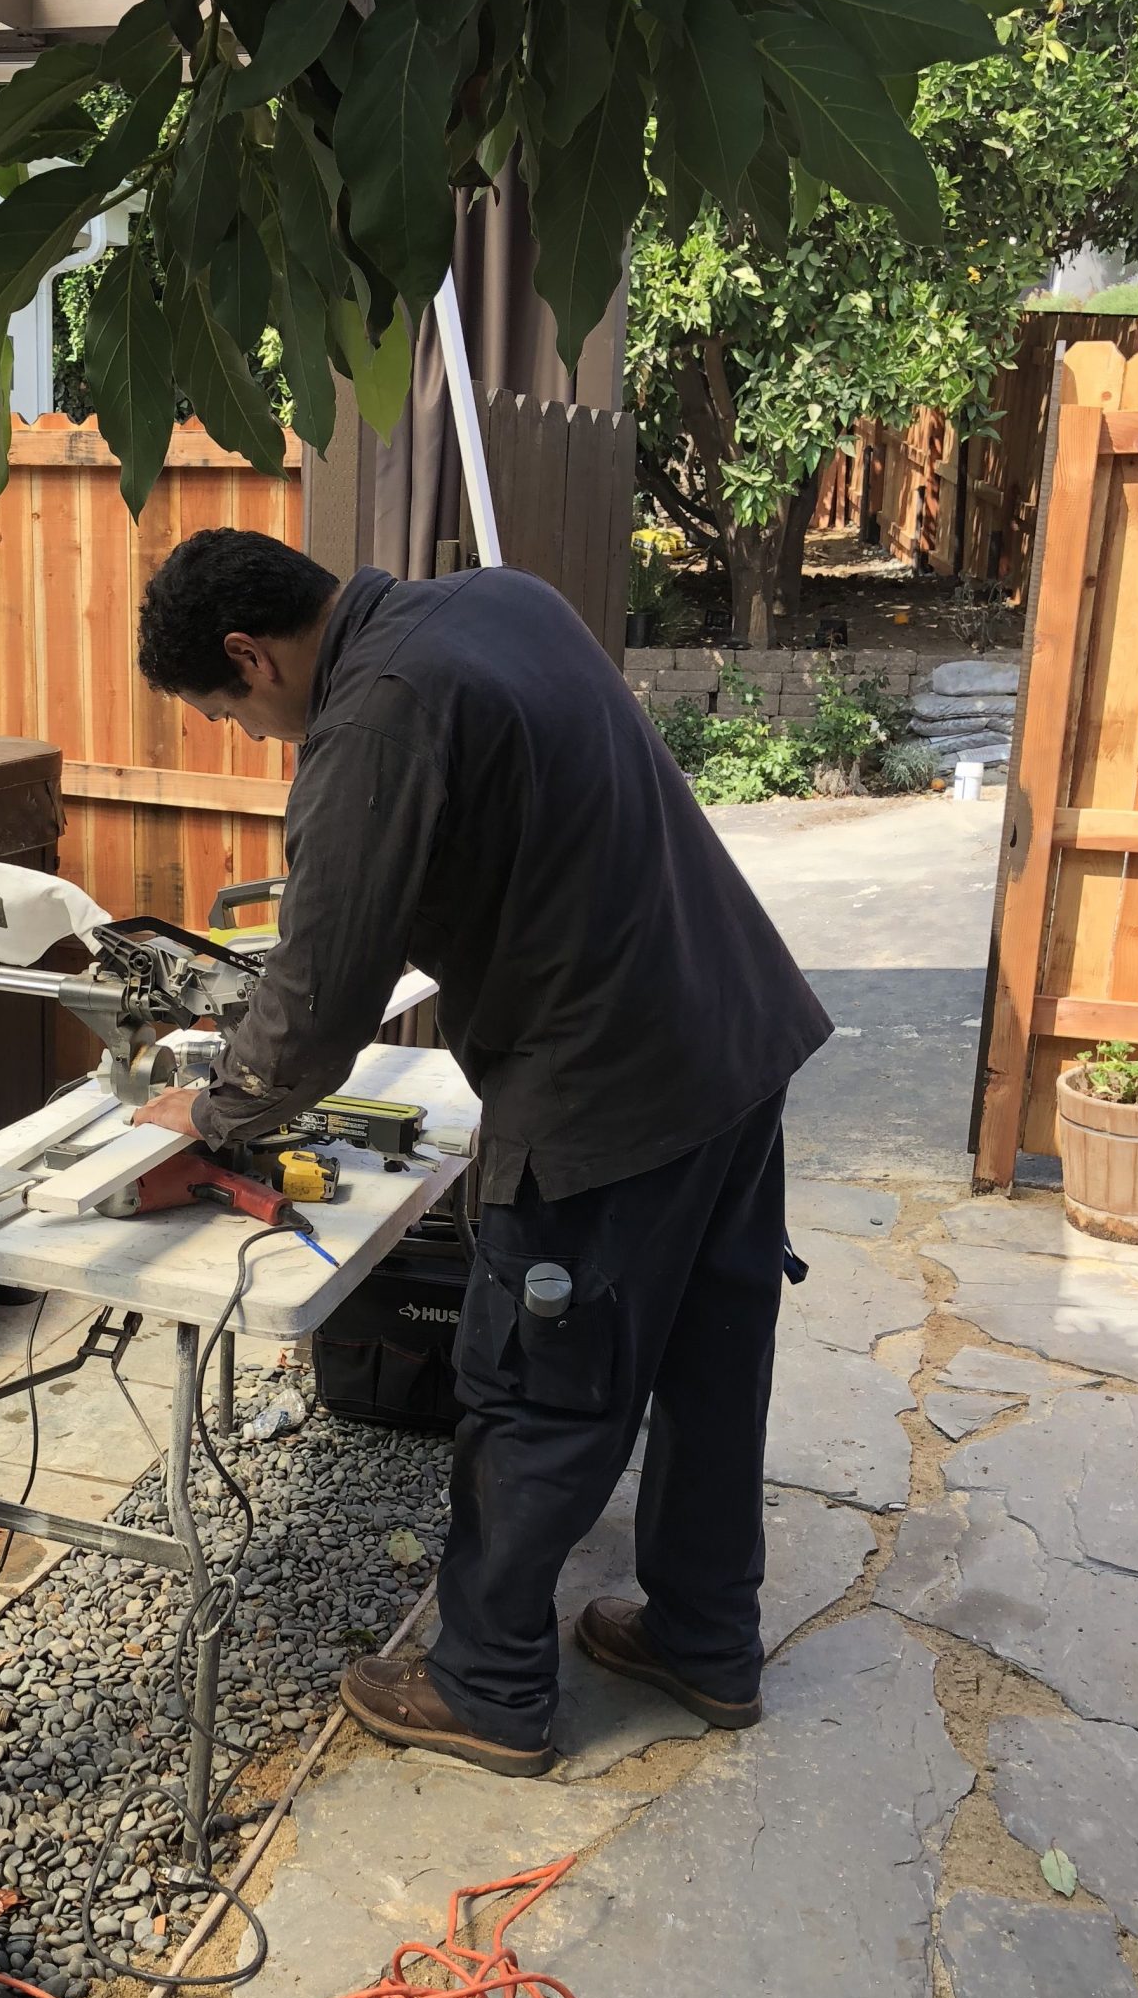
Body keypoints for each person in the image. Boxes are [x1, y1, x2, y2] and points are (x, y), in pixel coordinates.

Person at [131, 529, 831, 1778]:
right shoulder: (504, 599)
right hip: (734, 1037)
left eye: (224, 711)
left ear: (251, 654)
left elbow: (322, 996)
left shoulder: (374, 717)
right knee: (711, 1366)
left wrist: (218, 1111)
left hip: (608, 1098)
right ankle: (707, 1640)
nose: (245, 735)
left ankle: (490, 1687)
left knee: (538, 1394)